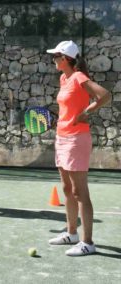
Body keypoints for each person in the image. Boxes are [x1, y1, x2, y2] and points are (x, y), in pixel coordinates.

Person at [47, 41, 111, 256]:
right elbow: (69, 106)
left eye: (55, 56)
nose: (53, 60)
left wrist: (87, 112)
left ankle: (88, 242)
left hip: (76, 139)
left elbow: (104, 95)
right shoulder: (64, 78)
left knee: (79, 191)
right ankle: (72, 233)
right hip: (62, 137)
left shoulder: (78, 77)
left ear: (65, 58)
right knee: (66, 189)